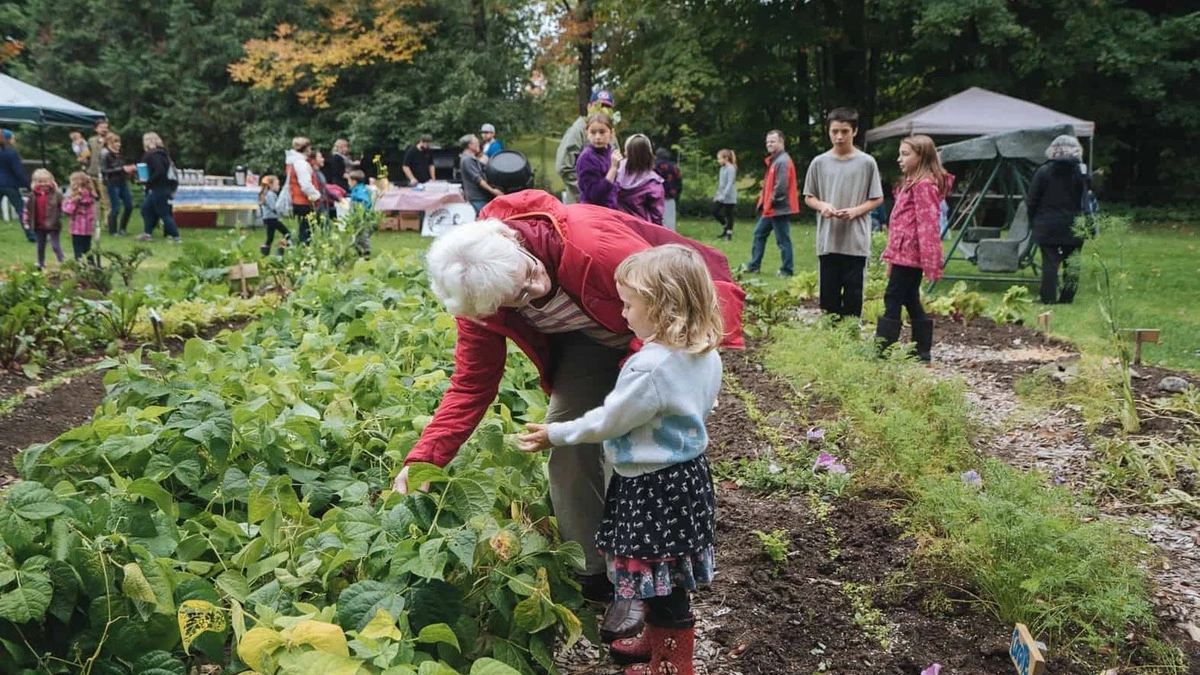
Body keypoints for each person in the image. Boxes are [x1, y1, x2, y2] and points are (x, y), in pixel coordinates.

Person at [390, 190, 745, 646]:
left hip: (655, 333)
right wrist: (426, 460)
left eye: (530, 275)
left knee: (638, 452)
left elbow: (675, 305)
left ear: (515, 242)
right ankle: (597, 571)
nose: (534, 291)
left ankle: (644, 581)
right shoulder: (478, 289)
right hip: (587, 340)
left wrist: (638, 397)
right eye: (517, 299)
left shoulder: (589, 246)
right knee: (565, 443)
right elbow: (471, 384)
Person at [518, 244, 722, 675]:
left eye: (630, 304)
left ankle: (671, 664)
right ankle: (656, 640)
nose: (622, 314)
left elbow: (609, 422)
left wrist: (556, 433)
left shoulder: (648, 368)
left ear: (662, 307)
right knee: (665, 570)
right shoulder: (704, 352)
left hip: (652, 486)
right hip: (686, 478)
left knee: (661, 579)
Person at [877, 135, 954, 362]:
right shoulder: (911, 183)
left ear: (921, 156)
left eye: (905, 154)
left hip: (910, 254)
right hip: (902, 252)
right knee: (910, 298)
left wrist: (931, 261)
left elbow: (928, 225)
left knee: (892, 297)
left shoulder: (923, 186)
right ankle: (922, 350)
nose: (899, 159)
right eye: (900, 154)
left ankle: (882, 349)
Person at [803, 108, 884, 316]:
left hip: (855, 241)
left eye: (845, 131)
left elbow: (877, 198)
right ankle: (831, 340)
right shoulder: (819, 162)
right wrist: (823, 206)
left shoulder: (867, 163)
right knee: (828, 298)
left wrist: (856, 211)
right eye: (835, 131)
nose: (839, 137)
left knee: (853, 296)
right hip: (828, 241)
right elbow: (809, 197)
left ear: (854, 131)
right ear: (828, 131)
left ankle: (851, 338)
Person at [1028, 134, 1088, 305]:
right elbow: (1087, 197)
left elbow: (1032, 200)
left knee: (1050, 263)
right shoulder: (1081, 171)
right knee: (1073, 263)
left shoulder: (1044, 171)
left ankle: (1048, 298)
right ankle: (1067, 298)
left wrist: (1034, 220)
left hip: (1047, 223)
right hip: (1075, 223)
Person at [742, 130, 799, 277]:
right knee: (759, 234)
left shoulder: (783, 161)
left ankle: (787, 270)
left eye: (773, 141)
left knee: (783, 240)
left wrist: (770, 202)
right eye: (767, 142)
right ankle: (754, 265)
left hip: (778, 208)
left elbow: (781, 187)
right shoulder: (775, 160)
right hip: (770, 208)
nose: (769, 144)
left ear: (781, 142)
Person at [556, 90, 615, 204]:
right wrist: (587, 191)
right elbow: (564, 167)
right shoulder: (578, 130)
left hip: (605, 206)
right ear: (589, 107)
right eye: (597, 106)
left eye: (607, 107)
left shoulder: (608, 130)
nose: (602, 110)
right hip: (581, 204)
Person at [135, 132, 182, 243]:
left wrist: (148, 180)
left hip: (158, 187)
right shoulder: (164, 154)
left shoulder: (151, 155)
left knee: (163, 213)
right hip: (165, 186)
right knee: (146, 208)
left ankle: (176, 236)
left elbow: (159, 170)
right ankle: (147, 233)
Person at [614, 134, 664, 225]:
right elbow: (657, 215)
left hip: (617, 225)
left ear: (626, 152)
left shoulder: (615, 171)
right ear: (649, 154)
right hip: (641, 229)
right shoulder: (653, 183)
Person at [576, 112, 620, 209]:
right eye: (593, 132)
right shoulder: (587, 158)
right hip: (593, 213)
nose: (597, 137)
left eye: (602, 132)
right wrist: (613, 169)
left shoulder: (609, 153)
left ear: (612, 133)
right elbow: (596, 195)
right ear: (587, 133)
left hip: (610, 211)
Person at [22, 169, 65, 268]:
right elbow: (26, 209)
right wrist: (26, 222)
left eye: (46, 181)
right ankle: (40, 262)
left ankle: (61, 260)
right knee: (40, 246)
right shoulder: (32, 196)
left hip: (53, 224)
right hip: (38, 224)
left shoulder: (56, 194)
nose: (43, 184)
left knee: (55, 245)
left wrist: (66, 212)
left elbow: (64, 205)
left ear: (51, 181)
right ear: (35, 182)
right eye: (40, 182)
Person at [284, 137, 322, 243]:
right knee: (306, 233)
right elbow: (305, 185)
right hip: (304, 201)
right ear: (307, 149)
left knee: (304, 230)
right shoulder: (301, 163)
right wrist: (316, 196)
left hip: (297, 200)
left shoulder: (292, 162)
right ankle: (304, 254)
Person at [0, 129, 36, 242]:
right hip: (10, 185)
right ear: (8, 139)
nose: (14, 140)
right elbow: (19, 172)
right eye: (13, 138)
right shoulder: (11, 153)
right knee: (21, 210)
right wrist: (28, 186)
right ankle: (31, 235)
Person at [459, 134, 503, 215]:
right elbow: (478, 179)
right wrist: (493, 191)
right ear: (470, 145)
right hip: (477, 198)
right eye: (476, 142)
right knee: (486, 222)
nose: (479, 144)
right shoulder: (467, 160)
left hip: (481, 198)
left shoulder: (472, 159)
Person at [100, 134, 134, 235]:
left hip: (123, 182)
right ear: (109, 143)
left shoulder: (118, 154)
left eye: (119, 142)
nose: (119, 144)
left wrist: (129, 170)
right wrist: (122, 169)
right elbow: (104, 171)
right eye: (116, 142)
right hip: (112, 183)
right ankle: (113, 231)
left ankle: (122, 228)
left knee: (129, 205)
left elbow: (121, 168)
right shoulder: (106, 155)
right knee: (115, 207)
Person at [62, 171, 98, 263]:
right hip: (88, 228)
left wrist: (67, 202)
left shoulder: (76, 196)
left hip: (77, 228)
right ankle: (92, 264)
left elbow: (68, 210)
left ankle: (79, 265)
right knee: (87, 248)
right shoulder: (90, 195)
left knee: (77, 249)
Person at [85, 119, 112, 231]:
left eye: (106, 127)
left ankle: (108, 223)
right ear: (96, 129)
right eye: (102, 127)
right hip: (91, 173)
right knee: (92, 199)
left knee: (106, 201)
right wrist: (84, 163)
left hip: (104, 174)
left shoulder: (111, 139)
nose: (104, 129)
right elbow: (86, 154)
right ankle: (95, 222)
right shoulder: (91, 141)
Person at [258, 175, 290, 256]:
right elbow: (274, 207)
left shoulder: (268, 194)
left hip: (268, 218)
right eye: (277, 184)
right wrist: (282, 212)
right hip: (271, 218)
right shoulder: (270, 195)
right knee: (286, 233)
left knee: (270, 237)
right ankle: (282, 246)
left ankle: (265, 251)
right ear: (271, 185)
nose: (278, 186)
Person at [653, 148, 682, 231]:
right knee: (670, 217)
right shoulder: (674, 166)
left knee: (658, 217)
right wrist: (677, 194)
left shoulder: (655, 166)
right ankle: (670, 233)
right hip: (670, 195)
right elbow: (679, 181)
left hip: (656, 195)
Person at [347, 169, 374, 258]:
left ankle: (366, 251)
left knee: (363, 234)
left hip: (361, 217)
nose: (348, 183)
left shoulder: (359, 192)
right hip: (357, 216)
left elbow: (364, 202)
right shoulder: (358, 190)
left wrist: (361, 213)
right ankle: (358, 249)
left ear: (354, 181)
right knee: (357, 234)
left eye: (349, 181)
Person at [713, 149, 737, 240]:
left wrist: (723, 195)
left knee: (728, 214)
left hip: (729, 196)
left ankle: (728, 233)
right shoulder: (722, 169)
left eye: (719, 158)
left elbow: (729, 183)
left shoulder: (731, 168)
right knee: (714, 211)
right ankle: (725, 226)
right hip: (721, 195)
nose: (718, 161)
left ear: (726, 158)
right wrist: (717, 194)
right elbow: (721, 184)